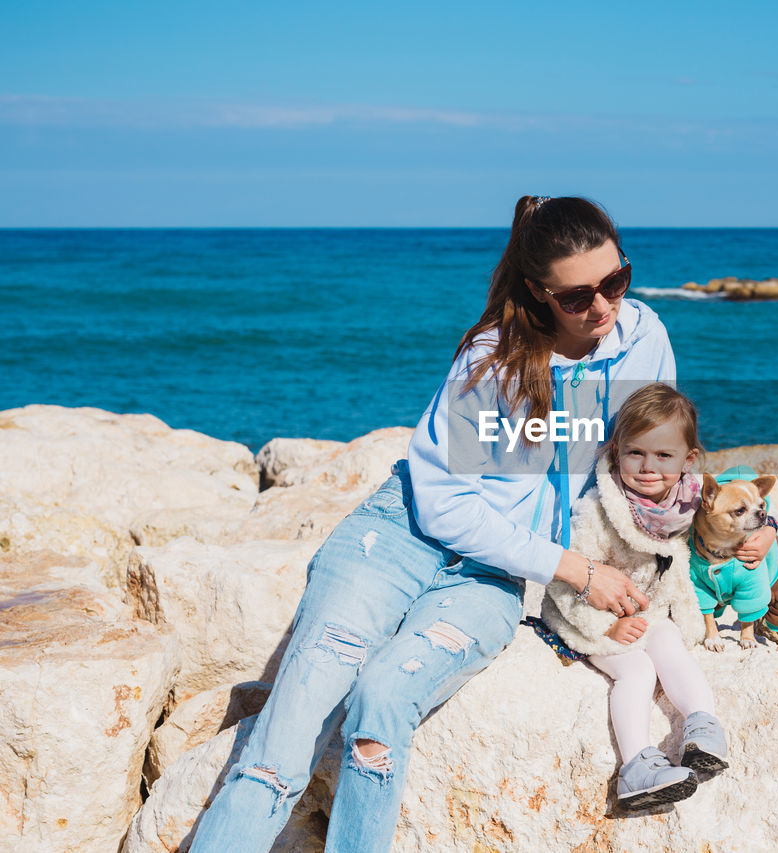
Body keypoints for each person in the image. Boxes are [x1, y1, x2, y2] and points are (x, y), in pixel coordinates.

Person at [190, 196, 676, 852]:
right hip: (395, 538)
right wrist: (574, 569)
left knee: (381, 704)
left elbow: (648, 465)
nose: (603, 308)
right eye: (578, 295)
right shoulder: (494, 360)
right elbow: (445, 503)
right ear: (538, 291)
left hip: (489, 576)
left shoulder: (642, 342)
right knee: (288, 728)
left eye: (616, 281)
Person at [539, 383, 729, 810]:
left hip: (649, 611)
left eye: (664, 456)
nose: (648, 467)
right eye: (635, 453)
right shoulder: (600, 510)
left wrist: (764, 529)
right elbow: (562, 579)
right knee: (638, 669)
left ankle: (703, 726)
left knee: (670, 645)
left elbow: (740, 503)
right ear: (615, 451)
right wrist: (605, 624)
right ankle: (636, 768)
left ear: (688, 459)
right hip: (586, 619)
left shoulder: (687, 501)